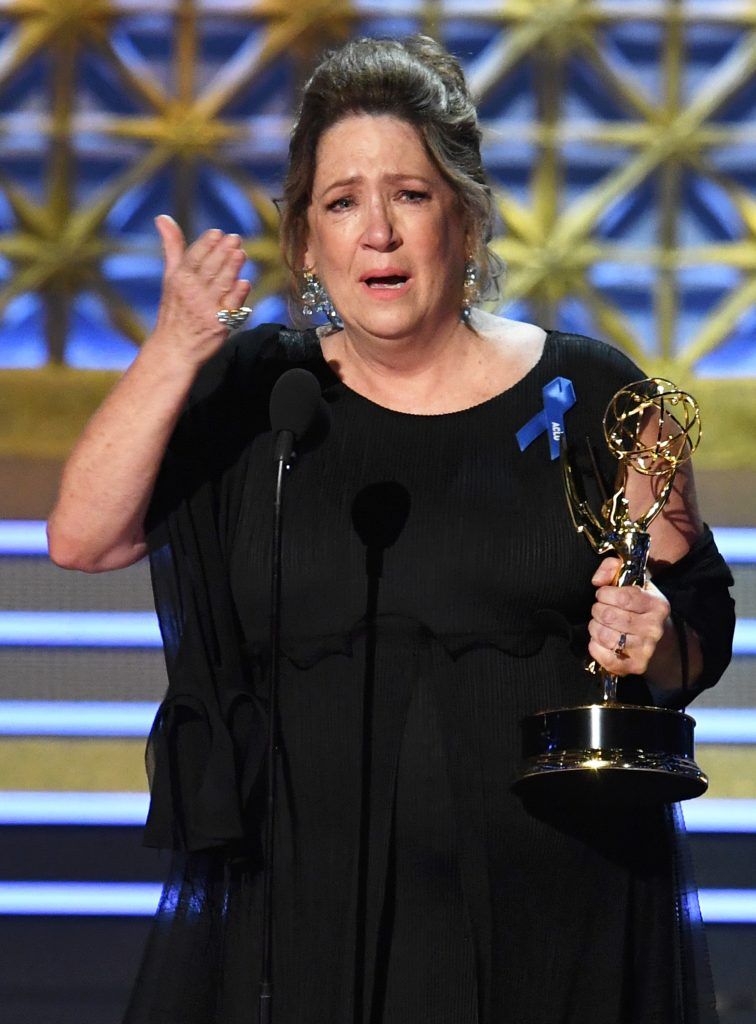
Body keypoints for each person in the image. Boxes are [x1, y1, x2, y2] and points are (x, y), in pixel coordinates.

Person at [48, 34, 735, 1024]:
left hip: (558, 930)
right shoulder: (262, 396)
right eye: (341, 202)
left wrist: (662, 642)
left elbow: (693, 616)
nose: (377, 232)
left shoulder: (592, 395)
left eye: (408, 195)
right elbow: (83, 537)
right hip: (301, 931)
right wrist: (175, 350)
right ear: (308, 239)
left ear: (464, 213)